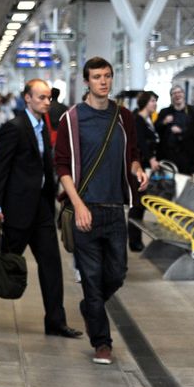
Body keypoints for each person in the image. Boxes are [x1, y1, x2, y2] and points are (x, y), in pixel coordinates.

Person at [0, 79, 82, 338]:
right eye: (41, 97)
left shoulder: (43, 126)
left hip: (42, 209)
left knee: (52, 265)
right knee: (1, 266)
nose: (46, 102)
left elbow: (45, 166)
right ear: (28, 98)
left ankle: (55, 321)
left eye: (48, 98)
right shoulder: (14, 128)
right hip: (17, 211)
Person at [54, 57, 148, 365]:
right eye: (97, 77)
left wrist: (137, 170)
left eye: (107, 76)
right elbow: (63, 167)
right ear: (86, 82)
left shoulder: (124, 117)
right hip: (86, 210)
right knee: (92, 280)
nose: (104, 82)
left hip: (114, 209)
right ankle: (102, 342)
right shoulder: (72, 119)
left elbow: (132, 154)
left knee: (117, 273)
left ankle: (90, 308)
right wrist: (78, 205)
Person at [129, 91, 160, 252]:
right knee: (137, 204)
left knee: (141, 204)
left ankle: (136, 239)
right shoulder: (138, 120)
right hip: (140, 167)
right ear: (145, 103)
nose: (155, 104)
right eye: (153, 101)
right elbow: (140, 142)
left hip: (147, 167)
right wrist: (151, 158)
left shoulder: (149, 120)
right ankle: (134, 241)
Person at [156, 85, 194, 180]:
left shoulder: (193, 111)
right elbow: (156, 129)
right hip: (169, 156)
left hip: (188, 156)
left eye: (179, 92)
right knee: (168, 185)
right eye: (174, 93)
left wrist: (181, 131)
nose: (177, 95)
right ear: (171, 97)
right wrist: (164, 122)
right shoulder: (165, 112)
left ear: (184, 94)